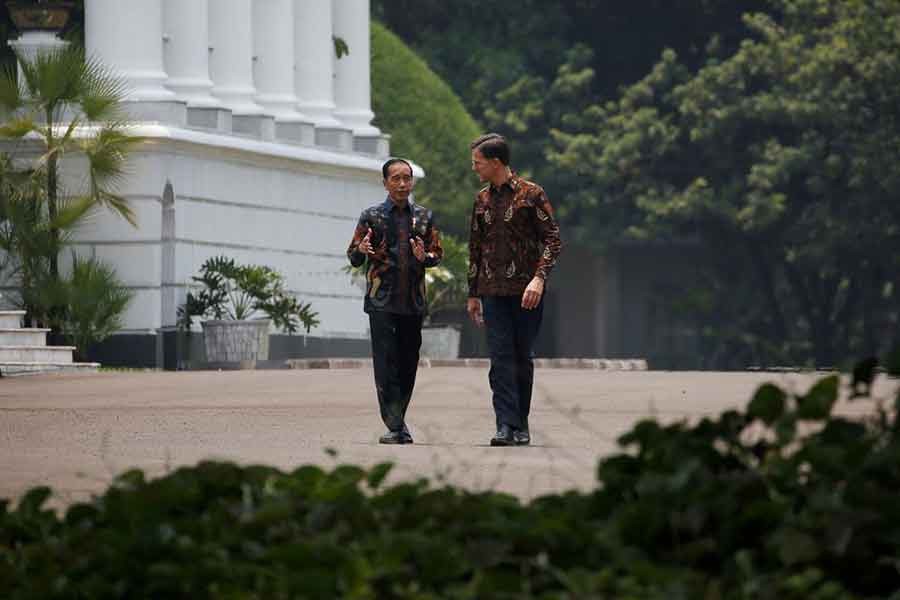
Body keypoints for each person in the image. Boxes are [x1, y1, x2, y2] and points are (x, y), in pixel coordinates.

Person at [466, 133, 562, 446]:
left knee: (522, 357)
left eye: (477, 163)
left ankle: (521, 423)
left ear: (495, 162)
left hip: (527, 291)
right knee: (500, 358)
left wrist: (539, 278)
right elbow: (475, 249)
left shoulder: (532, 194)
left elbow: (553, 240)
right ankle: (504, 425)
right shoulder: (481, 200)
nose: (474, 168)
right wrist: (472, 293)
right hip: (492, 290)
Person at [347, 158, 443, 444]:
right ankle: (395, 425)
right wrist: (361, 249)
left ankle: (398, 420)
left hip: (413, 301)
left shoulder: (424, 217)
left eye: (407, 178)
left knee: (408, 361)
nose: (402, 184)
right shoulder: (371, 216)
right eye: (396, 179)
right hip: (381, 302)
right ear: (385, 182)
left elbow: (437, 254)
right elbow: (353, 256)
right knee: (386, 363)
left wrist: (423, 257)